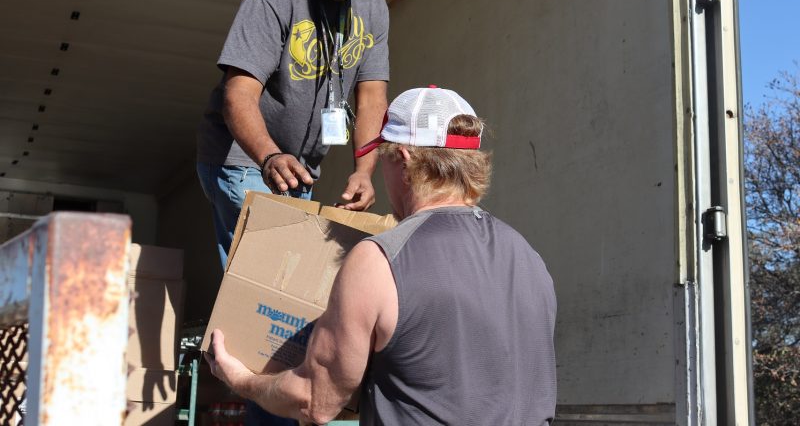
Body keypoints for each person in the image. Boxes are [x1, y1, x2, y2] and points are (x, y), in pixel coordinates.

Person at [205, 86, 558, 425]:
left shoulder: (380, 260)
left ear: (403, 160)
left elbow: (316, 401)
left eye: (383, 157)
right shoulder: (530, 260)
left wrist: (240, 378)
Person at [196, 0, 391, 268]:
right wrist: (269, 156)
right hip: (244, 160)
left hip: (298, 170)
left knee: (284, 285)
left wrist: (364, 171)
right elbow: (238, 94)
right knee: (267, 284)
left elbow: (372, 99)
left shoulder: (373, 6)